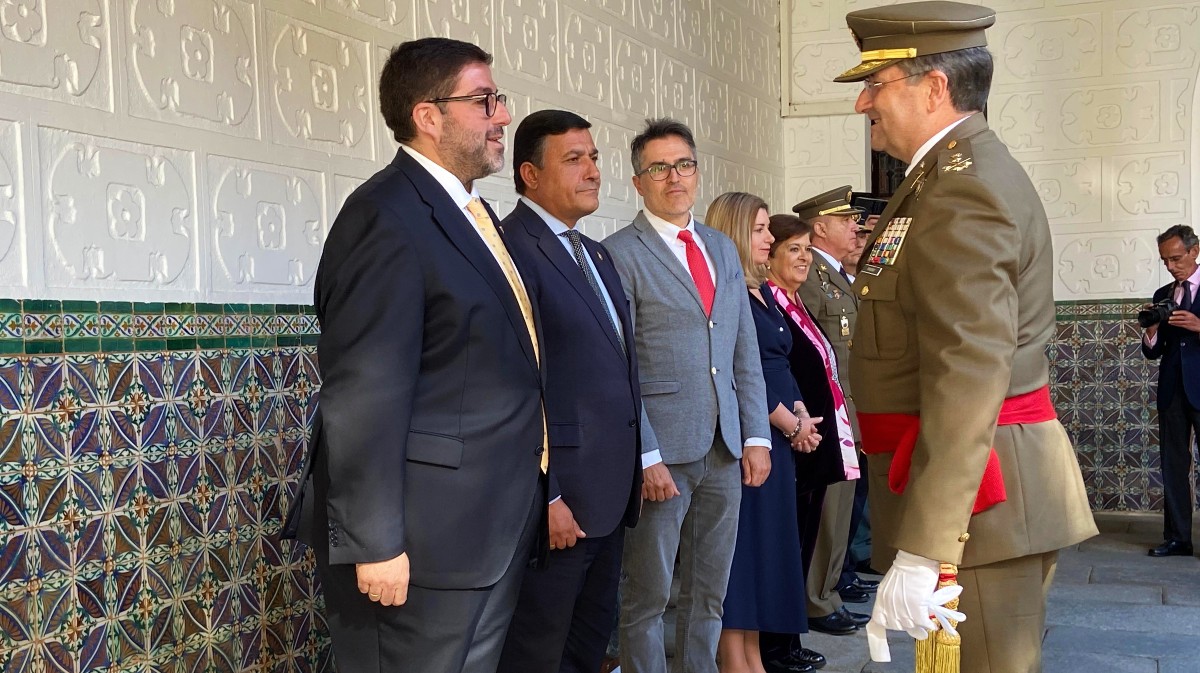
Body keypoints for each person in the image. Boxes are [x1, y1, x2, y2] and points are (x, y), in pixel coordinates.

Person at [834, 3, 1097, 671]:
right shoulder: (944, 179)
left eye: (876, 84)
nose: (864, 102)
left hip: (978, 507)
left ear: (934, 87)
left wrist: (928, 545)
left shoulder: (961, 190)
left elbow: (969, 373)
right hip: (972, 500)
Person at [282, 37, 546, 673]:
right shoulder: (385, 215)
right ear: (428, 116)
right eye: (484, 100)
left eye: (498, 99)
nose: (503, 115)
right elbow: (364, 390)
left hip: (484, 527)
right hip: (420, 542)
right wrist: (374, 542)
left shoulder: (470, 213)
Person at [603, 118, 772, 673]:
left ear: (697, 173)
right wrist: (645, 454)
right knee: (648, 596)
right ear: (638, 182)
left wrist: (756, 435)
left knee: (709, 593)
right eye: (659, 168)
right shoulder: (617, 254)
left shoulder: (721, 247)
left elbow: (743, 349)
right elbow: (618, 367)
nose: (674, 177)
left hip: (725, 447)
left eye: (684, 165)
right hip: (664, 454)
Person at [496, 110, 643, 673]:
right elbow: (514, 385)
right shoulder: (513, 250)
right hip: (558, 504)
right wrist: (548, 494)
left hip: (608, 494)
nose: (593, 171)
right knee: (539, 651)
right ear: (530, 174)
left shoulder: (595, 253)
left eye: (594, 158)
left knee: (586, 647)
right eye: (574, 159)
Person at [707, 193, 826, 673]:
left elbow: (778, 362)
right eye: (759, 230)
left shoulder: (759, 289)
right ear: (735, 231)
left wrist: (800, 414)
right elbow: (741, 371)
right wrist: (791, 422)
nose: (769, 238)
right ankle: (734, 660)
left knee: (765, 556)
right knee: (742, 555)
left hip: (778, 435)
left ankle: (753, 655)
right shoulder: (725, 288)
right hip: (751, 436)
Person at [759, 214, 862, 669]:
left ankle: (788, 639)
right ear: (769, 257)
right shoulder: (771, 303)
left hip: (813, 438)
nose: (804, 258)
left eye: (806, 249)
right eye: (793, 250)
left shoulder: (795, 302)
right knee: (791, 545)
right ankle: (778, 645)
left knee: (804, 540)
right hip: (790, 442)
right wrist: (796, 423)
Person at [791, 187, 874, 634]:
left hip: (851, 410)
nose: (855, 228)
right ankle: (816, 599)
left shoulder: (836, 274)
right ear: (820, 227)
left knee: (842, 512)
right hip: (828, 413)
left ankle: (829, 591)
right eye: (846, 221)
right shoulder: (811, 275)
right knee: (827, 512)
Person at [1142, 224, 1200, 558]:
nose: (1170, 266)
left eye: (1176, 258)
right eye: (1165, 260)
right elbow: (1154, 351)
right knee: (1173, 465)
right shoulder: (1162, 294)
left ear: (1194, 251)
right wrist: (1151, 329)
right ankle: (1178, 538)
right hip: (1172, 390)